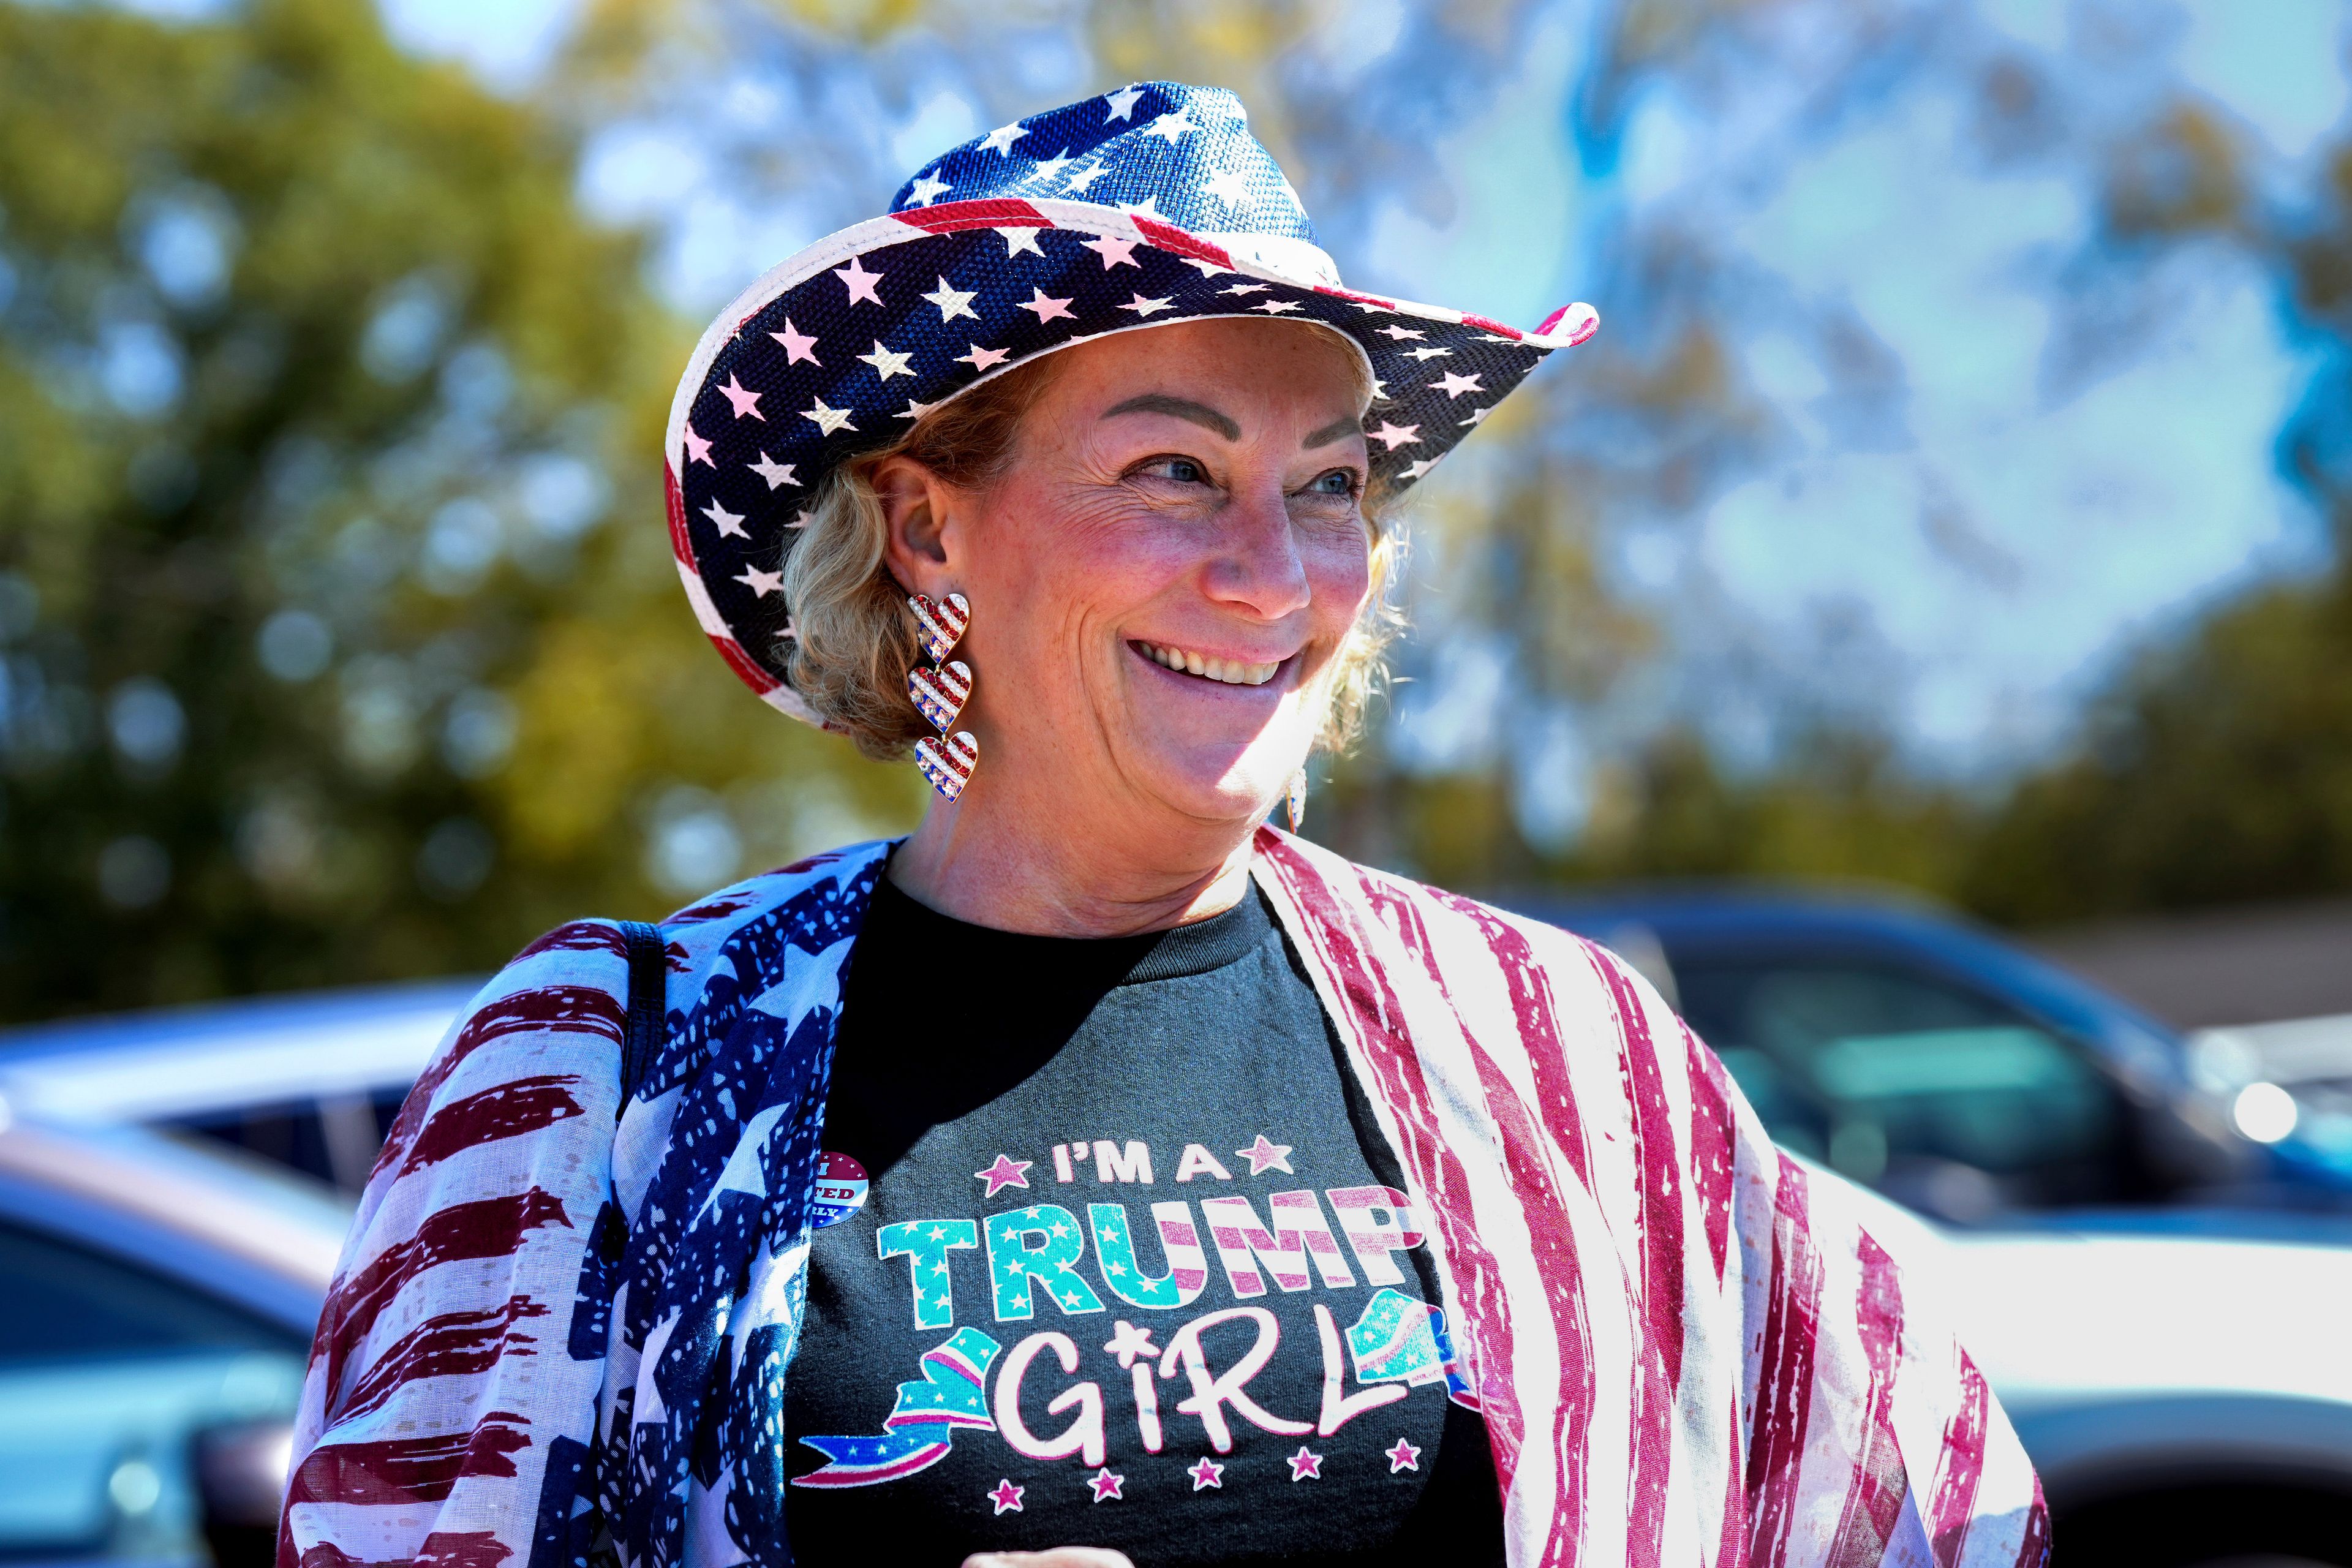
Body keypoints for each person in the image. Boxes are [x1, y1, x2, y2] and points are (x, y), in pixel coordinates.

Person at [279, 83, 2046, 1568]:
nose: (1272, 572)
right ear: (926, 531)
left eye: (1329, 485)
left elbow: (1927, 1508)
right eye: (1173, 471)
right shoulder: (620, 1084)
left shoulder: (1556, 1057)